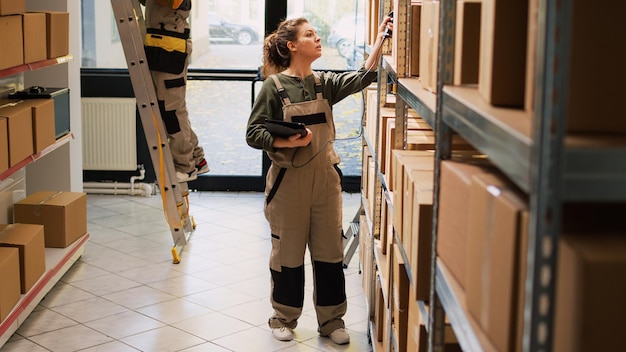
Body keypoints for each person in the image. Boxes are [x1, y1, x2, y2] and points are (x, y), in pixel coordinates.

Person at [245, 15, 393, 345]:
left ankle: (332, 321)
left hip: (326, 182)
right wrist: (285, 142)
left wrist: (383, 39)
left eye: (316, 34)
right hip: (288, 184)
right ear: (292, 45)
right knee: (288, 256)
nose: (317, 38)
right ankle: (283, 317)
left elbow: (363, 77)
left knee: (329, 254)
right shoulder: (274, 86)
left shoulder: (324, 83)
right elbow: (253, 133)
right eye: (309, 35)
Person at [140, 0, 208, 182]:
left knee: (172, 111)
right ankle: (197, 158)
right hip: (161, 44)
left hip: (168, 48)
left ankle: (186, 166)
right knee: (174, 109)